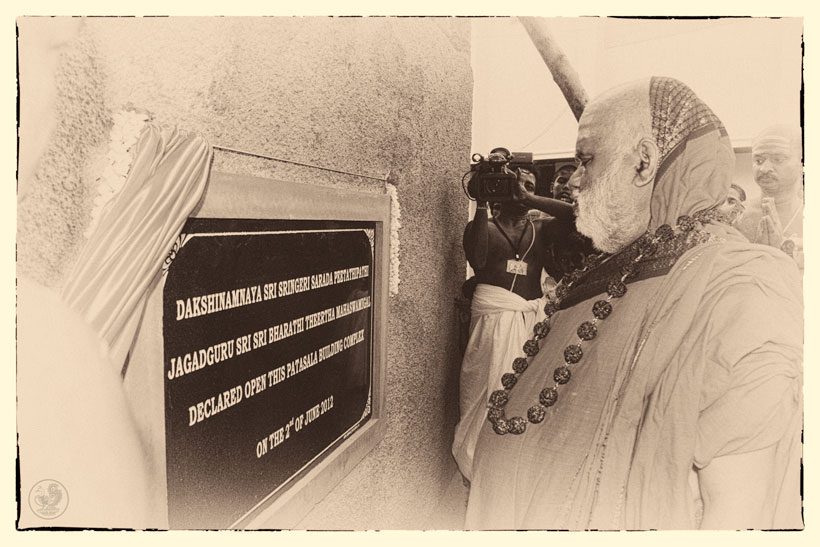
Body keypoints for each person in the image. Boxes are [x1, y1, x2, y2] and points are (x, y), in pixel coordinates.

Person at [465, 77, 802, 530]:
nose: (574, 180)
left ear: (644, 162)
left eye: (586, 160)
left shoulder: (739, 289)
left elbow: (738, 513)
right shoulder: (613, 267)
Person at [453, 166, 575, 481]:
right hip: (491, 323)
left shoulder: (540, 228)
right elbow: (478, 259)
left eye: (530, 186)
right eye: (515, 185)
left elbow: (576, 216)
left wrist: (531, 199)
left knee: (521, 395)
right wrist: (482, 202)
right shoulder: (483, 227)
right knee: (483, 391)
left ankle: (506, 467)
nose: (522, 191)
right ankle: (475, 466)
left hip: (528, 324)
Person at [736, 125, 803, 266]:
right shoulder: (736, 215)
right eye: (758, 161)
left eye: (778, 159)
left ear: (800, 163)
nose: (764, 169)